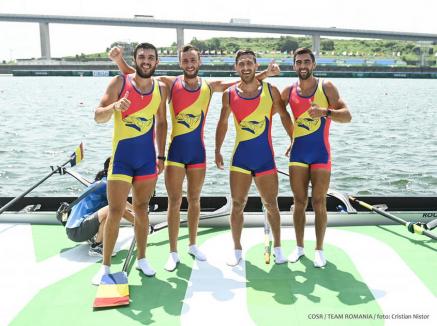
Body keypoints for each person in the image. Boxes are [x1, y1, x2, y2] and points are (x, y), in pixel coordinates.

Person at [110, 45, 279, 271]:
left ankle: (192, 244)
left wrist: (265, 74)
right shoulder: (170, 84)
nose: (189, 64)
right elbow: (139, 74)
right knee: (174, 201)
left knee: (195, 200)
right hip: (175, 153)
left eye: (193, 60)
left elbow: (244, 81)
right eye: (186, 61)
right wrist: (119, 62)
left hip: (198, 153)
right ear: (181, 63)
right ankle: (173, 251)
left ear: (199, 63)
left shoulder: (209, 86)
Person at [92, 42, 168, 285]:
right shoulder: (119, 83)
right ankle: (105, 267)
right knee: (115, 211)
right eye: (142, 57)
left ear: (157, 62)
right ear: (134, 60)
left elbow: (163, 123)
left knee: (142, 209)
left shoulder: (161, 88)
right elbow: (97, 116)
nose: (146, 61)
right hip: (122, 159)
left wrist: (161, 155)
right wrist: (114, 106)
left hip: (147, 160)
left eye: (151, 58)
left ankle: (143, 258)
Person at [215, 50, 293, 266]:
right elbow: (223, 123)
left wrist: (293, 139)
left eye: (249, 63)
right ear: (236, 68)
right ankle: (237, 250)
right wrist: (217, 149)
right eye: (241, 64)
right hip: (240, 158)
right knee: (237, 204)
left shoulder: (271, 90)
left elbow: (285, 116)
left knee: (271, 204)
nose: (246, 67)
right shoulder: (229, 94)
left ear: (256, 65)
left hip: (265, 159)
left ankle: (278, 248)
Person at [281, 48, 352, 268]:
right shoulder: (288, 91)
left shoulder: (326, 87)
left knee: (319, 201)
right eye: (298, 62)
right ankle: (300, 247)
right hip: (299, 153)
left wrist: (325, 112)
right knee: (299, 202)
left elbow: (347, 116)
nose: (303, 66)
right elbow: (271, 109)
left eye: (306, 62)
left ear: (313, 65)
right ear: (294, 66)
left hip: (321, 152)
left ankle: (319, 249)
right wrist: (291, 135)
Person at [63, 157, 135, 257]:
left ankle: (95, 240)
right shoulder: (106, 185)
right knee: (113, 209)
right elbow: (121, 207)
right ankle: (96, 247)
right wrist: (141, 223)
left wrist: (135, 211)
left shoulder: (102, 182)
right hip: (76, 231)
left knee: (111, 211)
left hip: (75, 230)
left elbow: (123, 202)